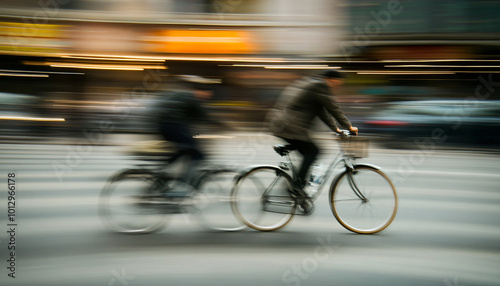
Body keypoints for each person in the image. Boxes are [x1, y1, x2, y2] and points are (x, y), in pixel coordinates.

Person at [268, 70, 358, 199]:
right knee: (314, 152)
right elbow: (332, 107)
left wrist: (336, 129)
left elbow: (322, 112)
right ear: (331, 79)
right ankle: (297, 187)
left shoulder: (314, 84)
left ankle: (296, 188)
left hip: (286, 126)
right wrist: (348, 126)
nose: (336, 86)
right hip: (290, 127)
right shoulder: (320, 85)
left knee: (309, 151)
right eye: (337, 83)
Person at [154, 75, 223, 187]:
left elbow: (194, 119)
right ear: (200, 91)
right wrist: (222, 125)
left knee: (183, 150)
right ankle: (183, 182)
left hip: (166, 126)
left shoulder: (185, 96)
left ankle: (163, 173)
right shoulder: (192, 98)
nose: (208, 95)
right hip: (173, 126)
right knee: (197, 154)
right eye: (207, 92)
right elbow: (203, 117)